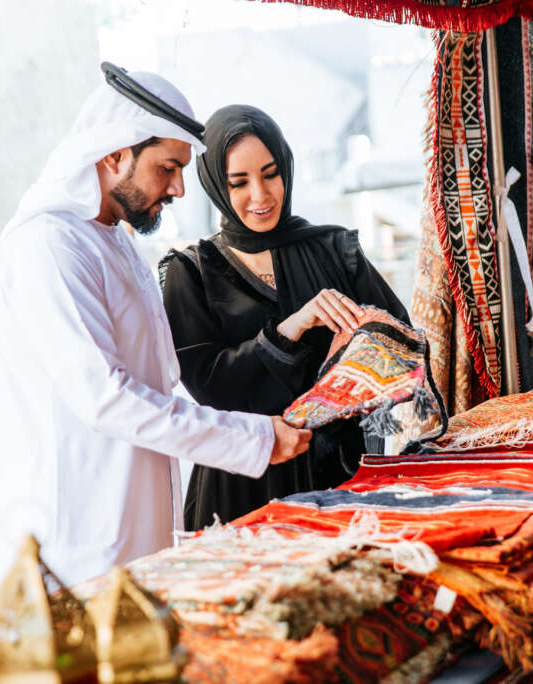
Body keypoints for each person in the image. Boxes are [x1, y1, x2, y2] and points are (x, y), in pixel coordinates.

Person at [0, 67, 311, 587]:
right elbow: (107, 398)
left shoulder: (114, 241)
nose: (178, 186)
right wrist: (254, 438)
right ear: (113, 155)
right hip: (73, 538)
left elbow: (157, 382)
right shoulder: (49, 248)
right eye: (167, 167)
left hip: (133, 521)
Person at [160, 105, 409, 531]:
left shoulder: (333, 250)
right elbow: (211, 388)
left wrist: (356, 344)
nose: (260, 195)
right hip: (241, 486)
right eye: (239, 182)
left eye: (270, 173)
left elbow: (400, 348)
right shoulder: (193, 273)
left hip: (340, 478)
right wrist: (291, 328)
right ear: (217, 185)